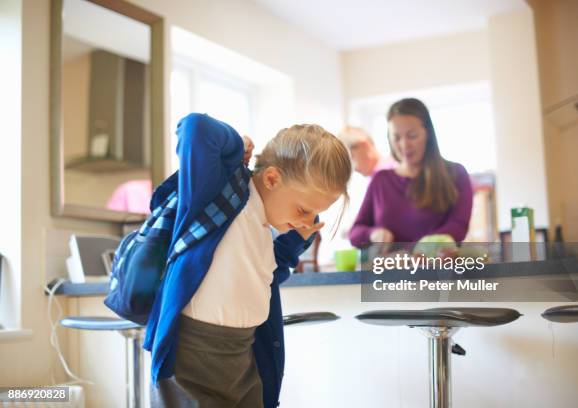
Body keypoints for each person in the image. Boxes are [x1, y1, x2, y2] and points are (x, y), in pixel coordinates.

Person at [145, 113, 352, 408]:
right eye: (304, 209)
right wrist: (234, 146)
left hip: (244, 362)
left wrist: (298, 233)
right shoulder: (219, 197)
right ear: (271, 178)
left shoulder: (262, 230)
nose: (308, 221)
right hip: (192, 363)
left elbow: (271, 272)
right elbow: (195, 127)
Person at [349, 98, 473, 247]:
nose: (404, 144)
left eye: (412, 136)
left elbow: (458, 227)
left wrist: (413, 252)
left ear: (428, 134)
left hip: (437, 268)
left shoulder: (456, 174)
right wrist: (373, 233)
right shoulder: (380, 180)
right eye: (396, 137)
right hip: (391, 269)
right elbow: (355, 233)